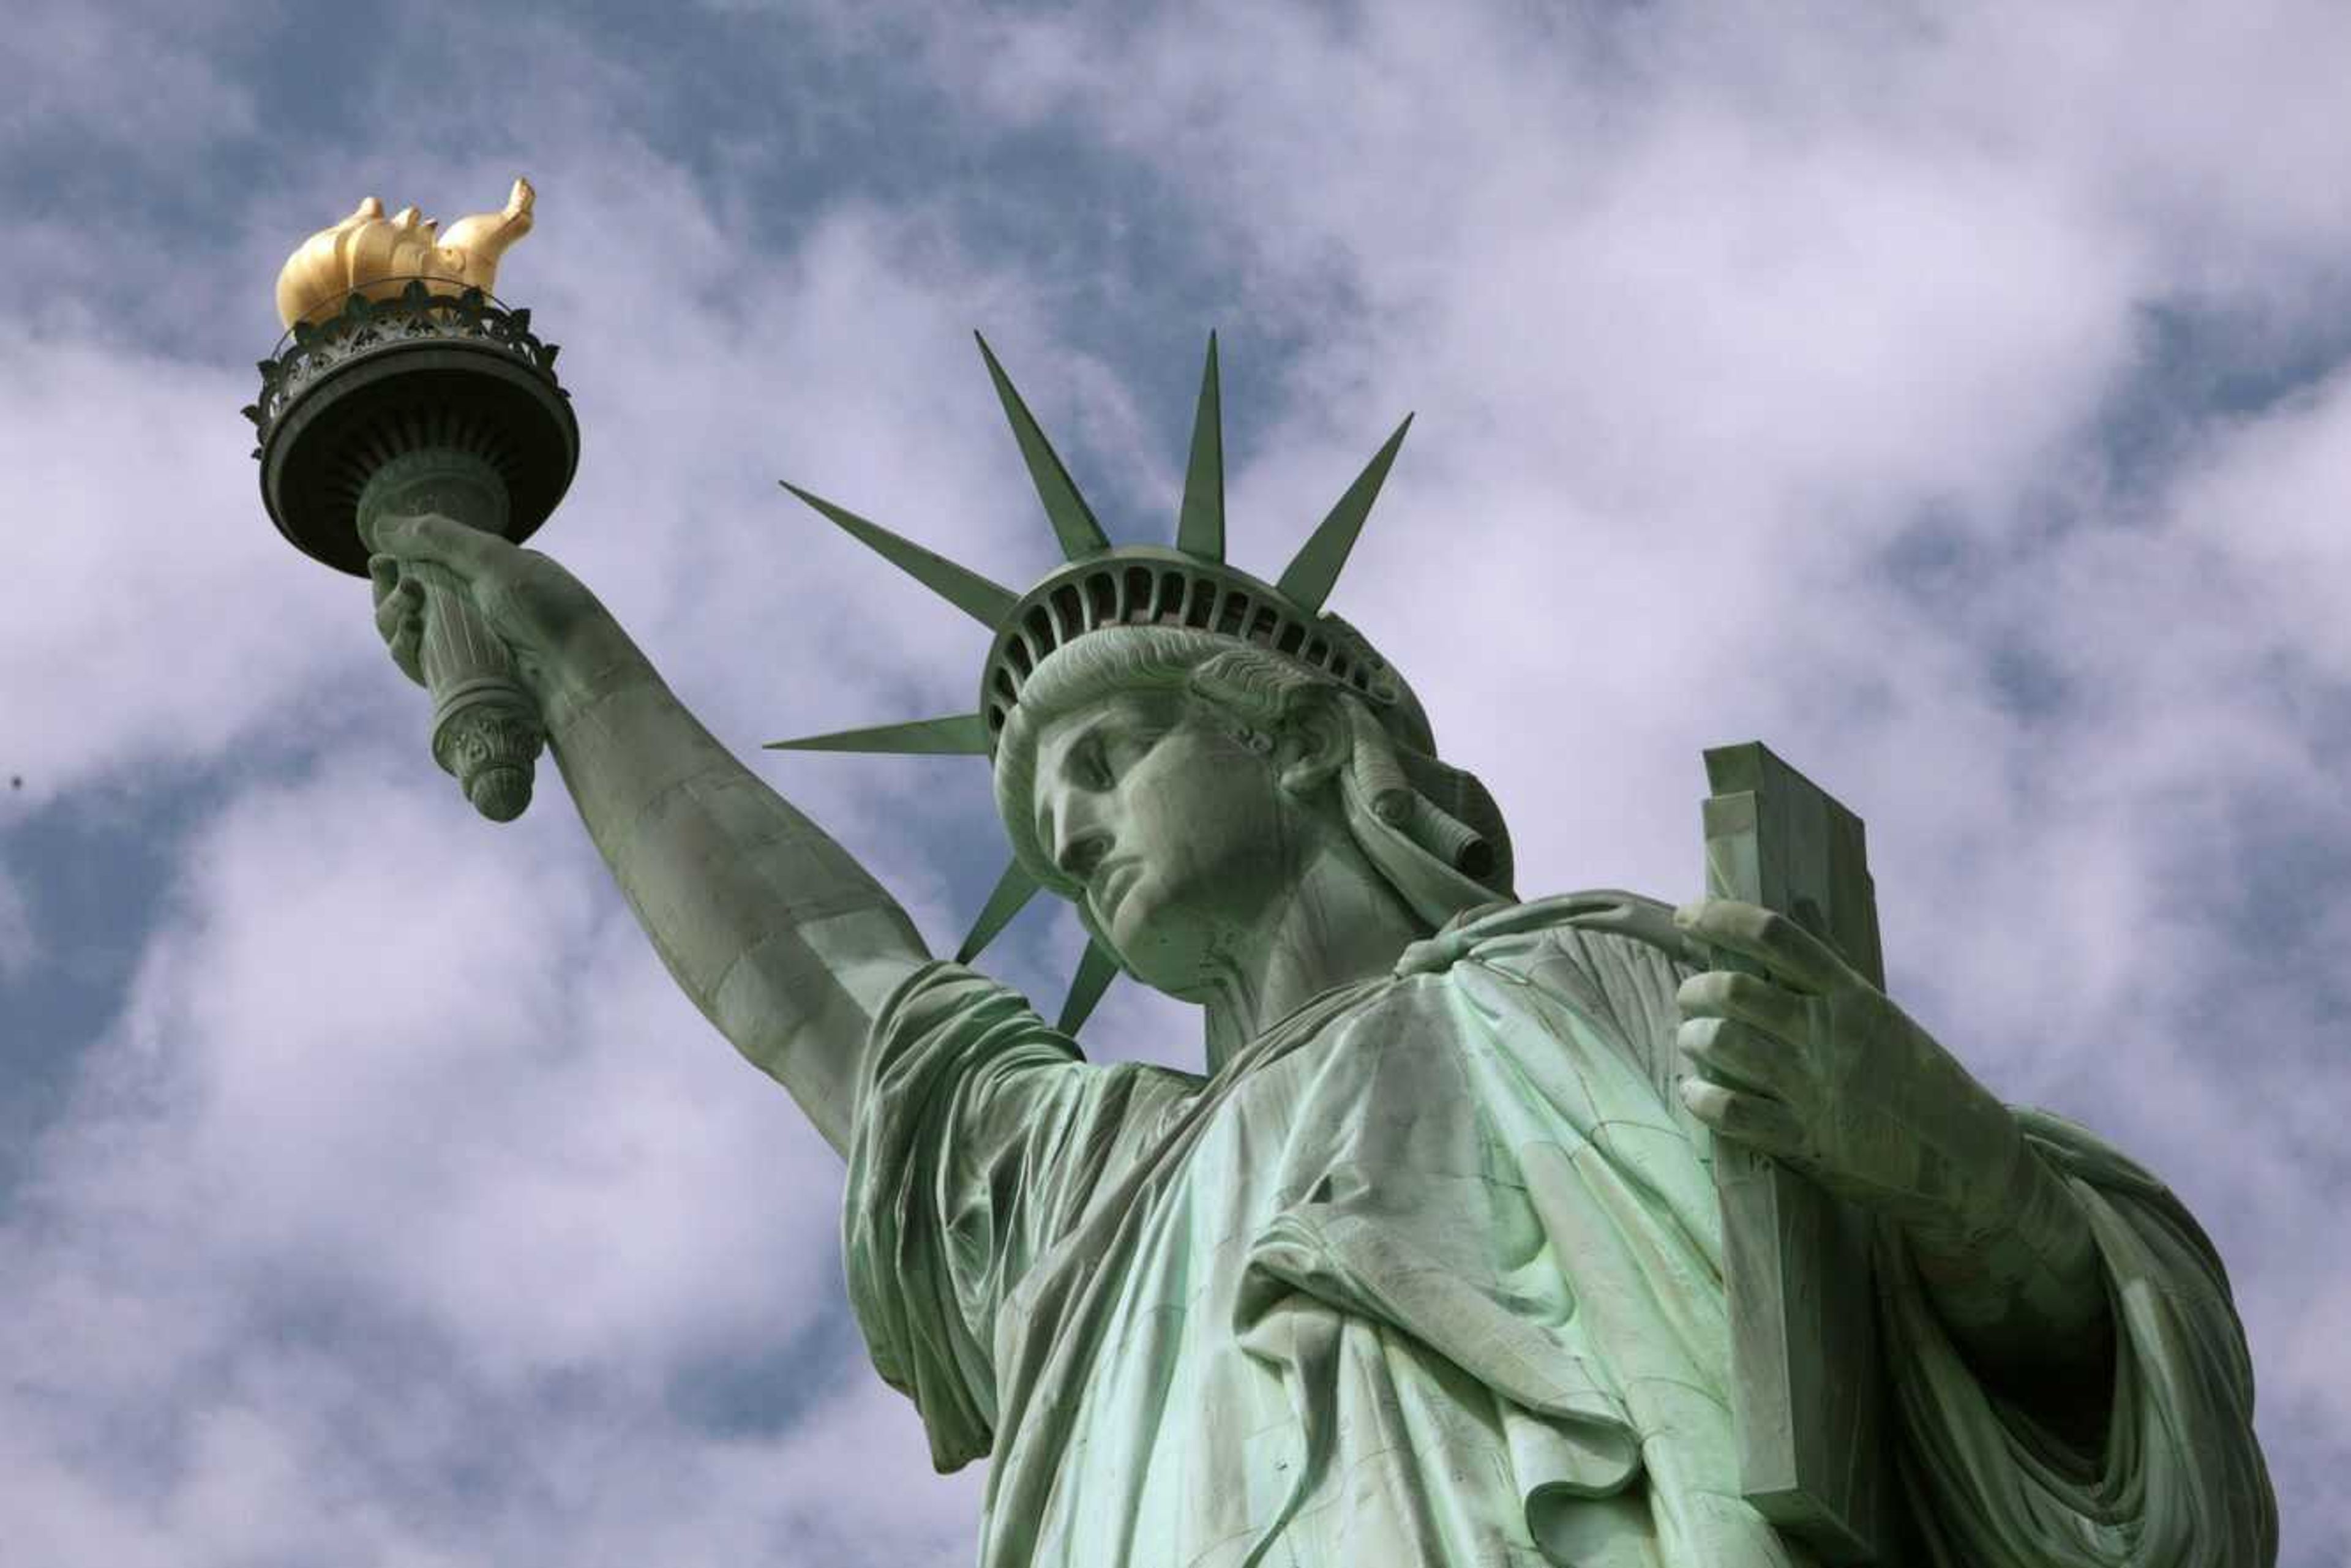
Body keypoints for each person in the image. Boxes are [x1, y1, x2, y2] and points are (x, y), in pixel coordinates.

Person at [364, 361, 2276, 1566]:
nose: (1079, 827)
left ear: (1299, 742)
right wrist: (567, 654)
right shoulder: (1099, 1187)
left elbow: (2100, 1392)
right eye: (1045, 816)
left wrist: (1944, 1164)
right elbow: (825, 989)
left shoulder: (1613, 981)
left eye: (1108, 759)